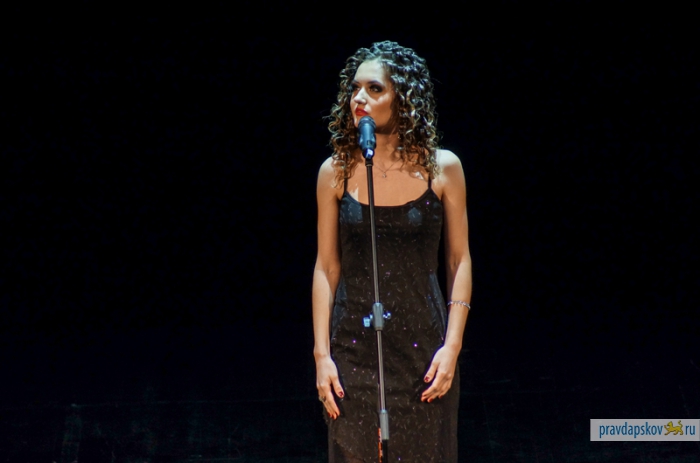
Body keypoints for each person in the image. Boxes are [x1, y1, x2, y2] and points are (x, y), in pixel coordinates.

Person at [312, 41, 472, 463]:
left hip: (423, 348)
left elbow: (458, 260)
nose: (359, 98)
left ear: (404, 98)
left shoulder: (443, 168)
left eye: (374, 89)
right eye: (355, 89)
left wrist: (452, 346)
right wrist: (322, 355)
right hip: (353, 346)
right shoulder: (335, 172)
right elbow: (326, 267)